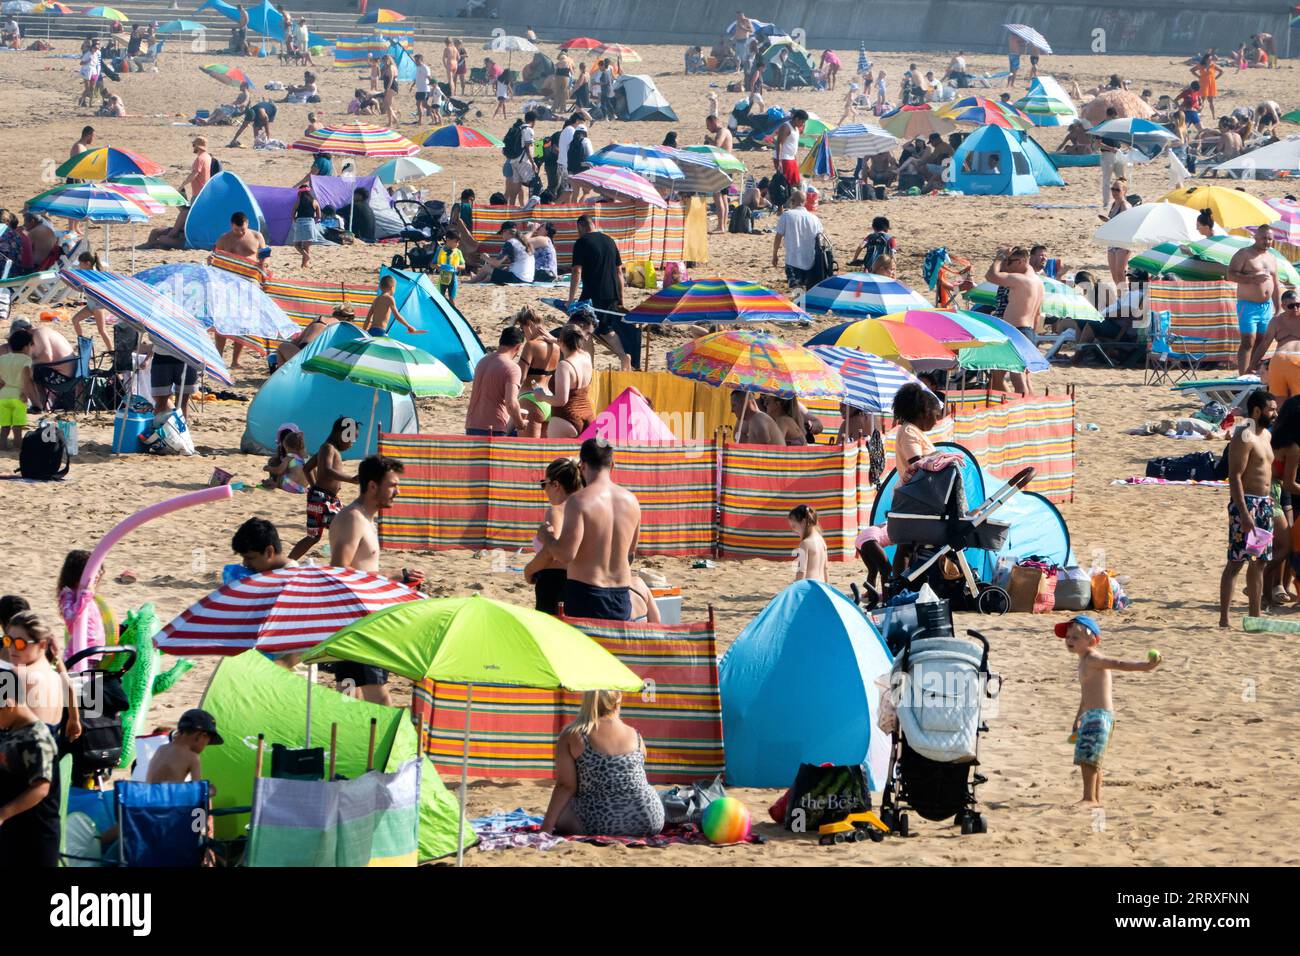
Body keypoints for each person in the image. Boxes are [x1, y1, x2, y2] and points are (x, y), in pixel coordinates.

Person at [1058, 615, 1160, 806]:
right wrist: (1077, 717)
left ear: (1091, 641)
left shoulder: (1093, 658)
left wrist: (1146, 666)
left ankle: (1089, 798)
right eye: (1068, 637)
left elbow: (1119, 664)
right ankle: (1095, 798)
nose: (1069, 641)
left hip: (1099, 716)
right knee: (1092, 758)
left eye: (1075, 637)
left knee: (1088, 759)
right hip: (1091, 716)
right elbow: (1085, 693)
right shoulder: (1083, 661)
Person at [326, 455, 404, 704]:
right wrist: (392, 578)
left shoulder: (365, 519)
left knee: (349, 698)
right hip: (358, 623)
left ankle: (346, 741)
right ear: (372, 486)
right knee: (379, 701)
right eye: (392, 485)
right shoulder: (353, 519)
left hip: (357, 620)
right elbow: (340, 570)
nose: (397, 491)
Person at [538, 438, 642, 621]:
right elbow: (630, 554)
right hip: (620, 595)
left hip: (586, 594)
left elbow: (565, 554)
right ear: (612, 465)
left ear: (582, 465)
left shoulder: (579, 501)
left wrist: (547, 538)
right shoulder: (632, 501)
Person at [540, 690, 665, 837]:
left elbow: (566, 786)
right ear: (618, 699)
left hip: (601, 821)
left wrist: (546, 828)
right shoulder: (635, 734)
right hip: (649, 818)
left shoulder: (573, 734)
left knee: (561, 814)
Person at [1220, 390, 1278, 626]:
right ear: (1257, 411)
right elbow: (1234, 476)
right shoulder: (1245, 435)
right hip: (1248, 504)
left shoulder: (1266, 435)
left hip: (1265, 504)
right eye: (1271, 409)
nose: (1275, 413)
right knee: (1236, 562)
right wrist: (1243, 512)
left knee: (1259, 561)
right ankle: (1224, 618)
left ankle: (1254, 616)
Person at [0, 664, 61, 867]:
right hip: (13, 831)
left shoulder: (36, 737)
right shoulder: (11, 730)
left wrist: (3, 814)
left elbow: (41, 788)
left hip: (35, 836)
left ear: (8, 704)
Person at [569, 214, 635, 370]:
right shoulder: (609, 241)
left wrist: (571, 299)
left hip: (593, 294)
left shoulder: (581, 242)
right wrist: (620, 299)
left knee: (585, 328)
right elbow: (619, 272)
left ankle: (595, 363)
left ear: (581, 226)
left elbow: (576, 272)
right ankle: (618, 357)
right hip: (611, 293)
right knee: (600, 329)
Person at [288, 416, 357, 561]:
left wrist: (315, 488)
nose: (352, 443)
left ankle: (286, 564)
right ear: (340, 433)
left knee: (313, 537)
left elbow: (307, 468)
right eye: (350, 438)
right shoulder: (328, 448)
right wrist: (351, 479)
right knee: (345, 528)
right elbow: (326, 470)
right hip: (323, 500)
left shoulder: (328, 448)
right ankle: (345, 565)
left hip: (324, 498)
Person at [526, 457, 585, 614]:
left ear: (555, 484)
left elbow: (552, 553)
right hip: (580, 583)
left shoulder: (556, 511)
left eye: (543, 484)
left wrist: (529, 570)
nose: (543, 489)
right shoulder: (586, 508)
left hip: (554, 584)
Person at [985, 246, 1043, 395]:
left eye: (1009, 261)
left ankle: (1023, 411)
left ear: (1022, 261)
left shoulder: (1021, 279)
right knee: (1016, 376)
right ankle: (1029, 409)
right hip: (1028, 331)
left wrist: (999, 257)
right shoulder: (1038, 282)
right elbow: (1038, 315)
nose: (1006, 266)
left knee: (1018, 377)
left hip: (1015, 330)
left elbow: (991, 276)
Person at [1230, 224, 1282, 376]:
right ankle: (1242, 376)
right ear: (1256, 237)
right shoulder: (1244, 254)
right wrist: (1252, 278)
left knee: (1261, 342)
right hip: (1248, 305)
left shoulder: (1272, 257)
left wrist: (1278, 309)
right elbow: (1231, 275)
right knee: (1248, 340)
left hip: (1266, 306)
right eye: (1264, 238)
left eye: (1270, 239)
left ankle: (1251, 372)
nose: (1267, 242)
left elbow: (1276, 284)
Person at [528, 325, 594, 438]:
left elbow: (561, 400)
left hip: (566, 417)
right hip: (588, 415)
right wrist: (556, 340)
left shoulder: (565, 365)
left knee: (557, 455)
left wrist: (541, 396)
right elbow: (571, 346)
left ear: (562, 342)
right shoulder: (586, 356)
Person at [466, 327, 526, 437]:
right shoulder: (512, 368)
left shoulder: (482, 361)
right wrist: (520, 424)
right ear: (518, 347)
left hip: (472, 424)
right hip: (494, 427)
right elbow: (511, 404)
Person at [146, 708, 222, 786]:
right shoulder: (192, 757)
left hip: (148, 796)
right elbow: (197, 789)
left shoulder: (161, 749)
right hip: (170, 797)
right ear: (202, 735)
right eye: (207, 742)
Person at [772, 190, 824, 291]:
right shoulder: (814, 218)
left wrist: (775, 255)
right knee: (808, 291)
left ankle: (799, 305)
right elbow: (820, 238)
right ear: (805, 202)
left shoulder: (787, 215)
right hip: (810, 261)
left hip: (793, 260)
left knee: (797, 291)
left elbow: (778, 237)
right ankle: (804, 305)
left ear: (792, 201)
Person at [1252, 291, 1300, 396]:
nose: (1296, 308)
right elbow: (1264, 344)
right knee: (1279, 400)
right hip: (1279, 361)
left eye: (1298, 305)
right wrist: (1252, 365)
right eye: (1291, 306)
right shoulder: (1276, 321)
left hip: (1288, 361)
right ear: (1282, 306)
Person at [893, 381, 943, 481]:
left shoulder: (913, 431)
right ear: (924, 413)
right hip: (916, 494)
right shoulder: (909, 432)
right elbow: (918, 466)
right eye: (936, 416)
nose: (936, 421)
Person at [0, 328, 38, 450]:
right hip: (18, 395)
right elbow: (26, 377)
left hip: (3, 395)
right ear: (26, 346)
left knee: (4, 426)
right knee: (17, 427)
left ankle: (3, 446)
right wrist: (25, 393)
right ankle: (17, 446)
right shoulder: (26, 360)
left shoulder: (3, 358)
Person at [1097, 178, 1133, 287]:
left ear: (1124, 191)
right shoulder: (1114, 204)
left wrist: (1109, 222)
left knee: (1120, 274)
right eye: (1112, 189)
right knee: (1114, 276)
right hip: (1112, 242)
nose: (1114, 192)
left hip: (1123, 243)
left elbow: (1126, 226)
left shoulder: (1125, 206)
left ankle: (1125, 300)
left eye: (1117, 190)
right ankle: (1120, 299)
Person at [231, 517, 297, 574]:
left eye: (250, 558)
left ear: (269, 552)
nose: (245, 563)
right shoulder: (264, 570)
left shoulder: (290, 575)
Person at [788, 504, 828, 582]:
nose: (793, 530)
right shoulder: (821, 540)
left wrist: (796, 589)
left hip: (809, 587)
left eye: (794, 526)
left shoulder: (805, 544)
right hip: (821, 585)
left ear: (803, 522)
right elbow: (825, 568)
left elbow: (801, 572)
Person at [773, 109, 807, 188]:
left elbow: (793, 144)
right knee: (786, 183)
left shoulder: (796, 129)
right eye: (802, 121)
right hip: (784, 158)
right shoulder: (786, 127)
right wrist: (779, 160)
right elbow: (779, 144)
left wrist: (795, 158)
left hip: (791, 158)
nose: (803, 124)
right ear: (796, 119)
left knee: (796, 183)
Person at [180, 137, 213, 202]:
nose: (193, 147)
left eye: (193, 145)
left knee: (190, 211)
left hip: (198, 193)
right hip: (205, 191)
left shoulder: (200, 159)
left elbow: (194, 175)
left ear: (198, 147)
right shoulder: (207, 156)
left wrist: (182, 185)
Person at [435, 233, 464, 303]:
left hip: (453, 279)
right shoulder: (440, 250)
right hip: (442, 278)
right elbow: (431, 264)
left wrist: (457, 267)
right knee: (440, 298)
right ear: (448, 240)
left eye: (458, 242)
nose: (458, 244)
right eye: (456, 242)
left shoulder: (458, 252)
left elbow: (463, 266)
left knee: (452, 299)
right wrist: (438, 266)